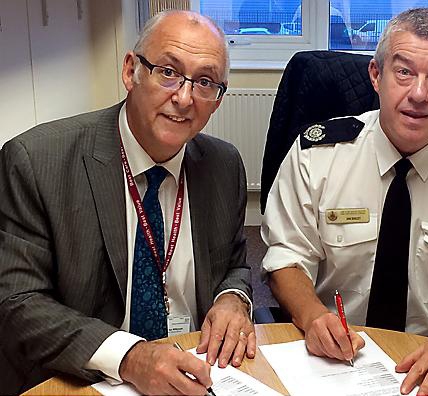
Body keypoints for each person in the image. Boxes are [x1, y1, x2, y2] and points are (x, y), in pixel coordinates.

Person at [262, 7, 428, 396]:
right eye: (403, 72)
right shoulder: (316, 155)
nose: (418, 94)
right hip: (336, 362)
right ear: (376, 75)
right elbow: (286, 257)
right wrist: (312, 315)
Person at [0, 10, 256, 395]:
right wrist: (130, 356)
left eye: (205, 82)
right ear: (130, 71)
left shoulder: (224, 165)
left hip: (197, 372)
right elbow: (17, 302)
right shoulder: (36, 161)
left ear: (217, 100)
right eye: (168, 72)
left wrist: (232, 298)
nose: (184, 98)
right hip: (87, 379)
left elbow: (234, 264)